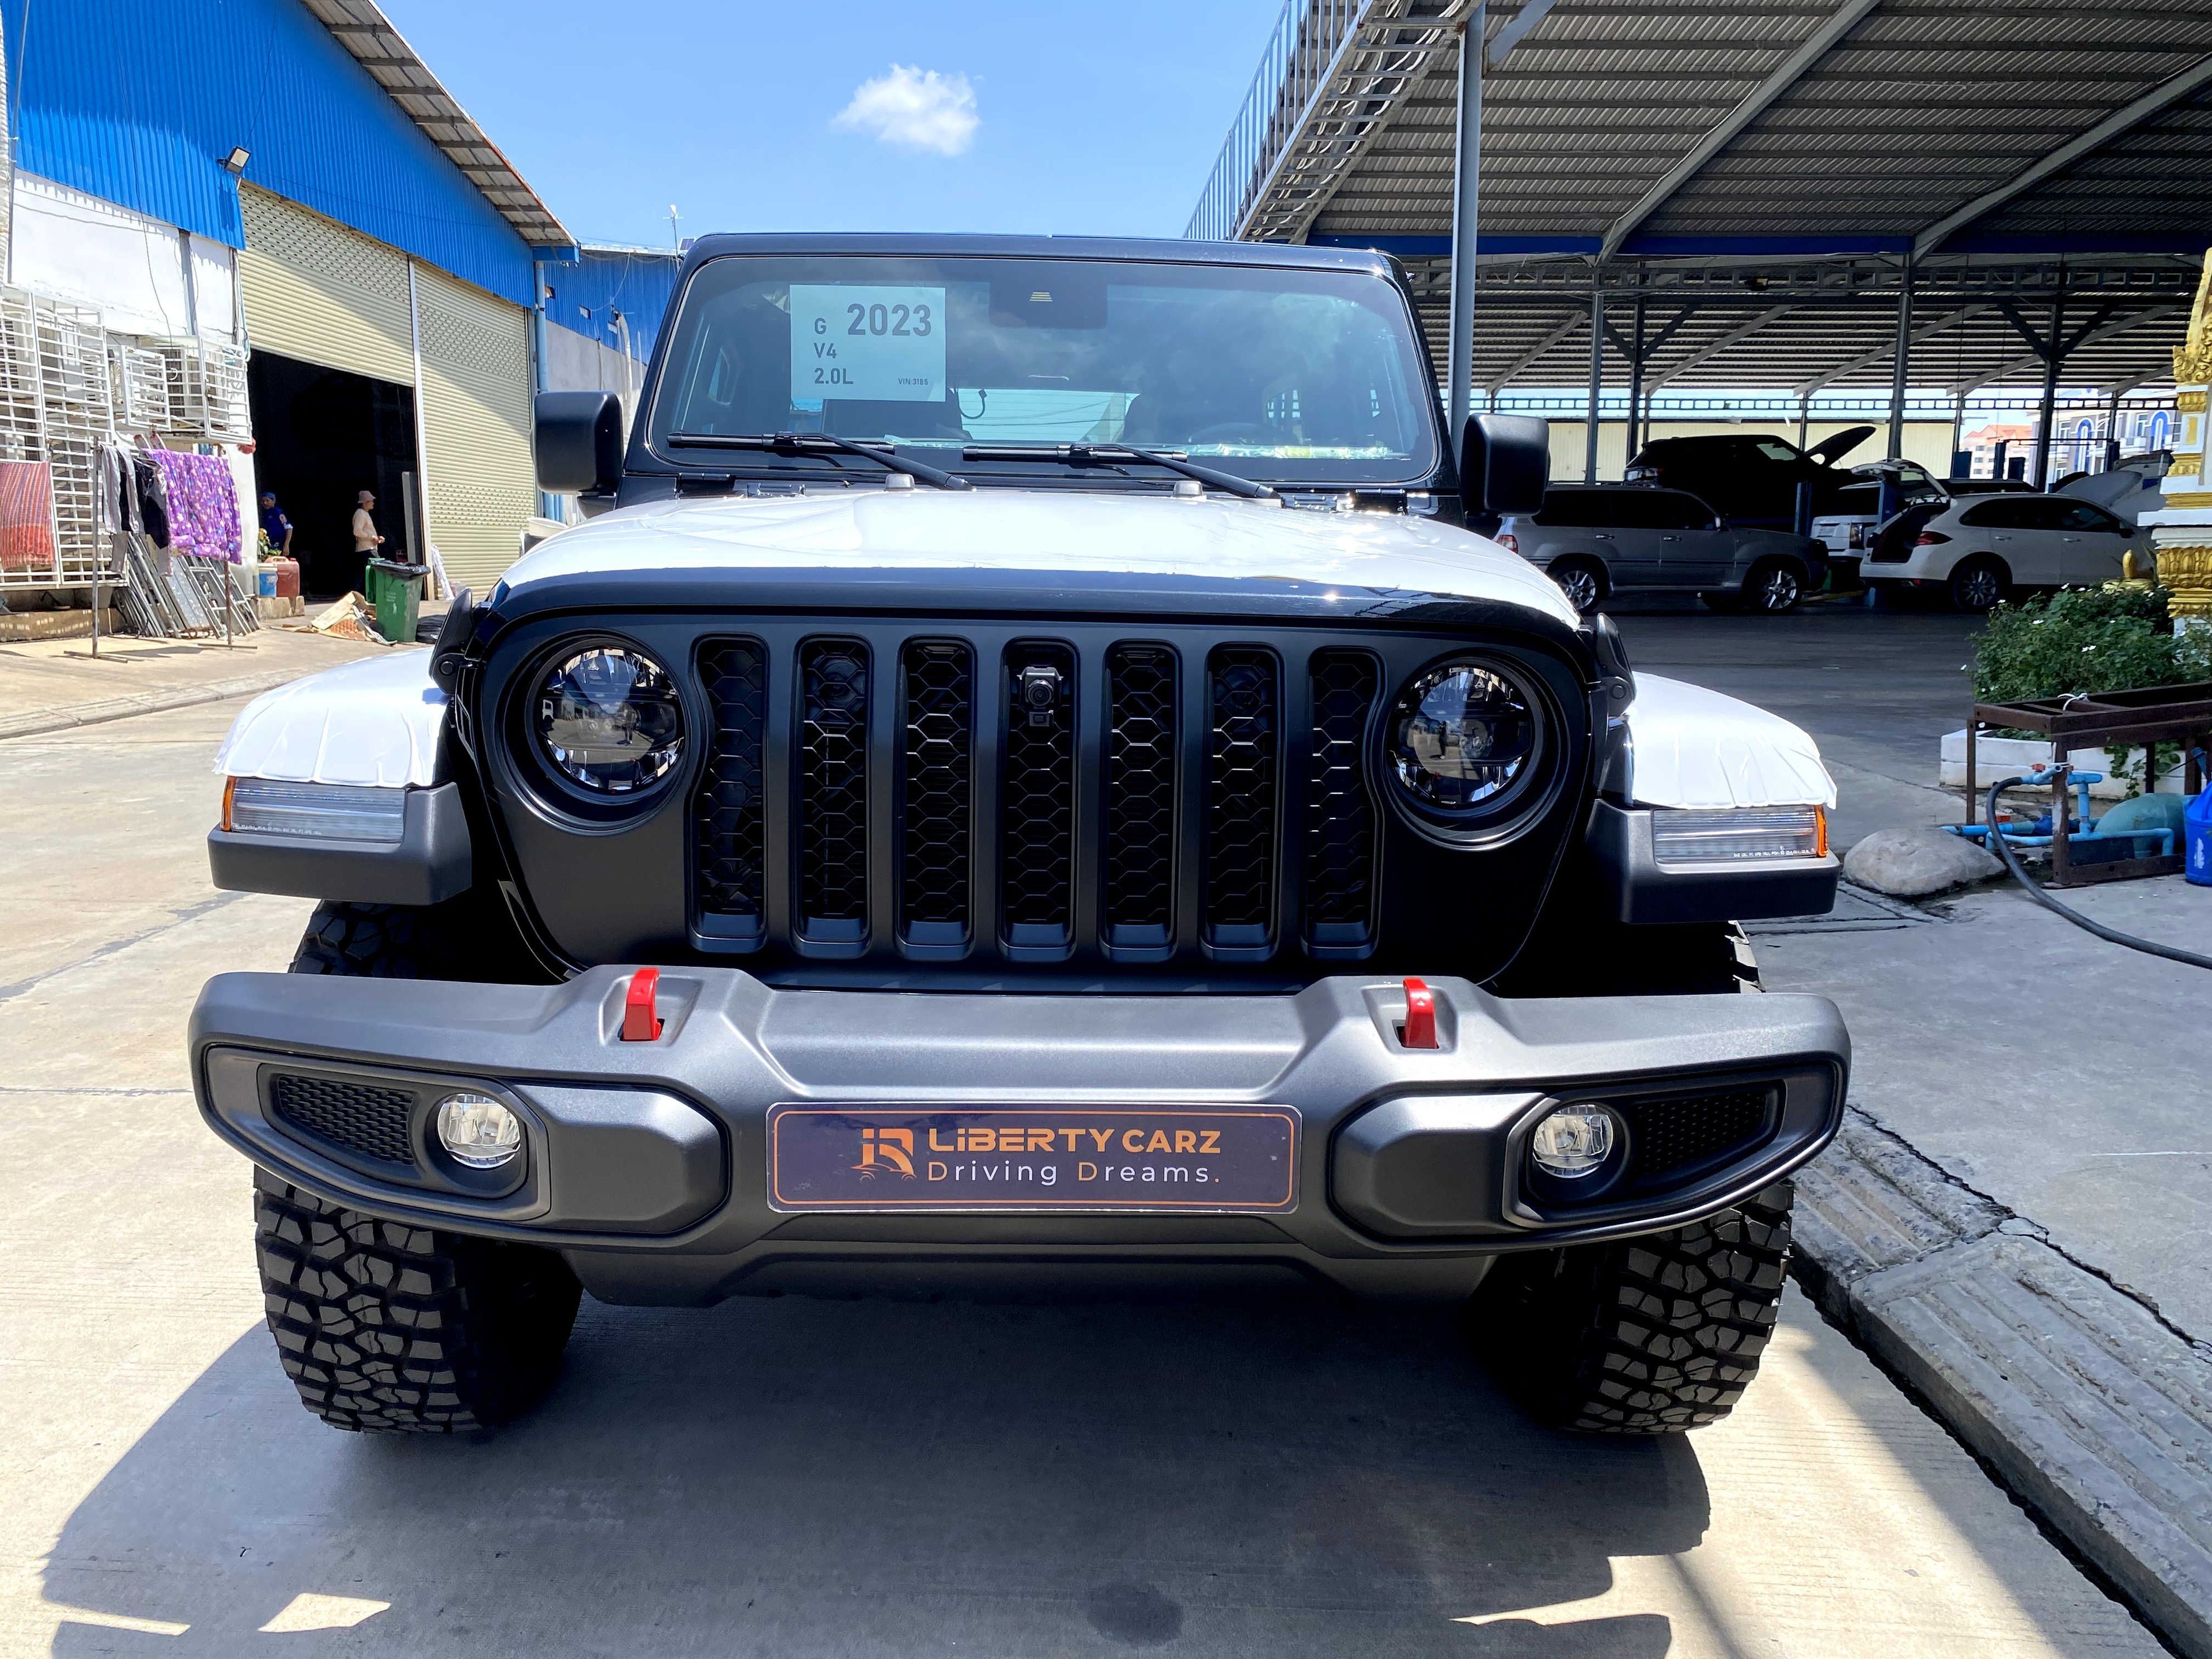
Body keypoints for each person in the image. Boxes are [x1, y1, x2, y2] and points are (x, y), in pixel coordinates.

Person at [258, 491, 293, 558]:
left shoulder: (278, 512)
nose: (265, 503)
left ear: (273, 501)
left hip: (279, 545)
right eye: (263, 501)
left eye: (267, 501)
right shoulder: (263, 514)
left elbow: (289, 527)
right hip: (269, 545)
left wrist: (286, 544)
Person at [351, 490, 384, 558]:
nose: (373, 503)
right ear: (365, 503)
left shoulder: (365, 513)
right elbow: (357, 531)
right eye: (371, 501)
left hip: (369, 550)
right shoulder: (360, 513)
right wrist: (372, 537)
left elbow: (366, 532)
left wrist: (377, 538)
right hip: (366, 551)